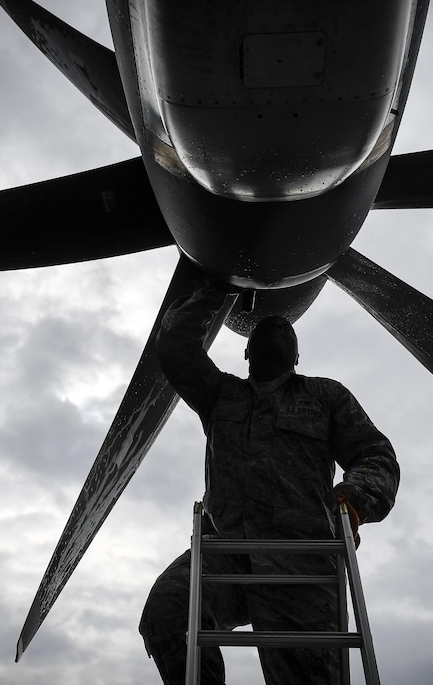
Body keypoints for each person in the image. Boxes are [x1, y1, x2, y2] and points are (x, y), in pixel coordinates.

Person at [139, 277, 399, 685]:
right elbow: (175, 348)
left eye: (285, 329)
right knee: (167, 611)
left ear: (297, 356)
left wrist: (354, 500)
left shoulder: (325, 397)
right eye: (264, 329)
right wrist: (218, 285)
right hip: (229, 554)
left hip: (300, 563)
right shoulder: (220, 394)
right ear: (245, 352)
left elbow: (375, 455)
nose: (275, 327)